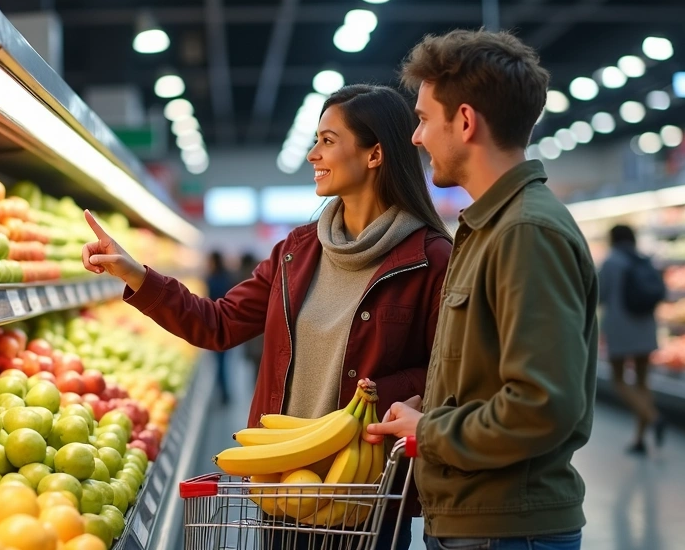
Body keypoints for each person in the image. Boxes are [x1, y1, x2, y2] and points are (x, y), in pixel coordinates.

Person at [81, 84, 452, 548]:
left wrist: (385, 392)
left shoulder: (431, 260)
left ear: (375, 154)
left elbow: (451, 377)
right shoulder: (295, 252)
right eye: (315, 140)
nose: (313, 154)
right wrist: (136, 274)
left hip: (363, 496)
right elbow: (216, 323)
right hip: (282, 485)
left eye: (328, 141)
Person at [369, 29, 598, 550]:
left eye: (424, 119)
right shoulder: (489, 227)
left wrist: (426, 433)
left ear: (466, 121)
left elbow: (540, 405)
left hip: (507, 529)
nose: (416, 138)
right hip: (481, 521)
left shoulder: (524, 233)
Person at [599, 224, 665, 454]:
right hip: (646, 327)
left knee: (618, 380)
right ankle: (639, 439)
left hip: (620, 328)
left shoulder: (611, 263)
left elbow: (599, 295)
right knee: (642, 382)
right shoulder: (644, 260)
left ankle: (652, 417)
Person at [205, 251, 235, 404]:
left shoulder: (210, 278)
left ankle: (222, 392)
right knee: (224, 362)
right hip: (227, 325)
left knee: (219, 363)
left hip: (213, 325)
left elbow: (208, 302)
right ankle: (225, 393)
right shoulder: (228, 277)